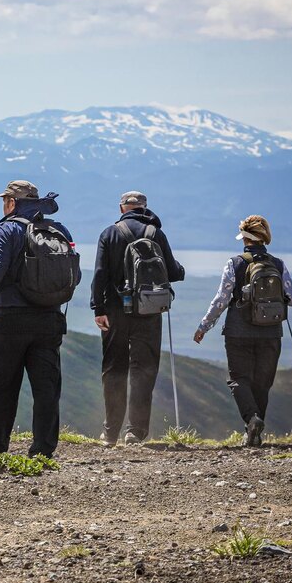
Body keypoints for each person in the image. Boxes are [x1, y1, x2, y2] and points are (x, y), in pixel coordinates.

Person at [0, 180, 74, 458]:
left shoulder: (8, 228)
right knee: (46, 390)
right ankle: (43, 451)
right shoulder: (59, 230)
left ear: (11, 203)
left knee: (2, 389)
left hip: (10, 321)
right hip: (49, 319)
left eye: (5, 201)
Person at [193, 215, 292, 447]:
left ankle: (252, 420)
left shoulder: (235, 263)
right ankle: (255, 432)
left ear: (245, 238)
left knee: (238, 379)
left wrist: (204, 326)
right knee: (263, 383)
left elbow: (221, 299)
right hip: (271, 333)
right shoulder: (278, 264)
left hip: (238, 332)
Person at [90, 190, 186, 446]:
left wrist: (98, 308)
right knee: (144, 369)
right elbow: (173, 272)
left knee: (114, 369)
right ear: (144, 208)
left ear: (122, 208)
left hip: (114, 311)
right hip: (149, 311)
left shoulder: (109, 233)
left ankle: (110, 432)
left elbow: (100, 273)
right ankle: (135, 432)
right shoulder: (155, 233)